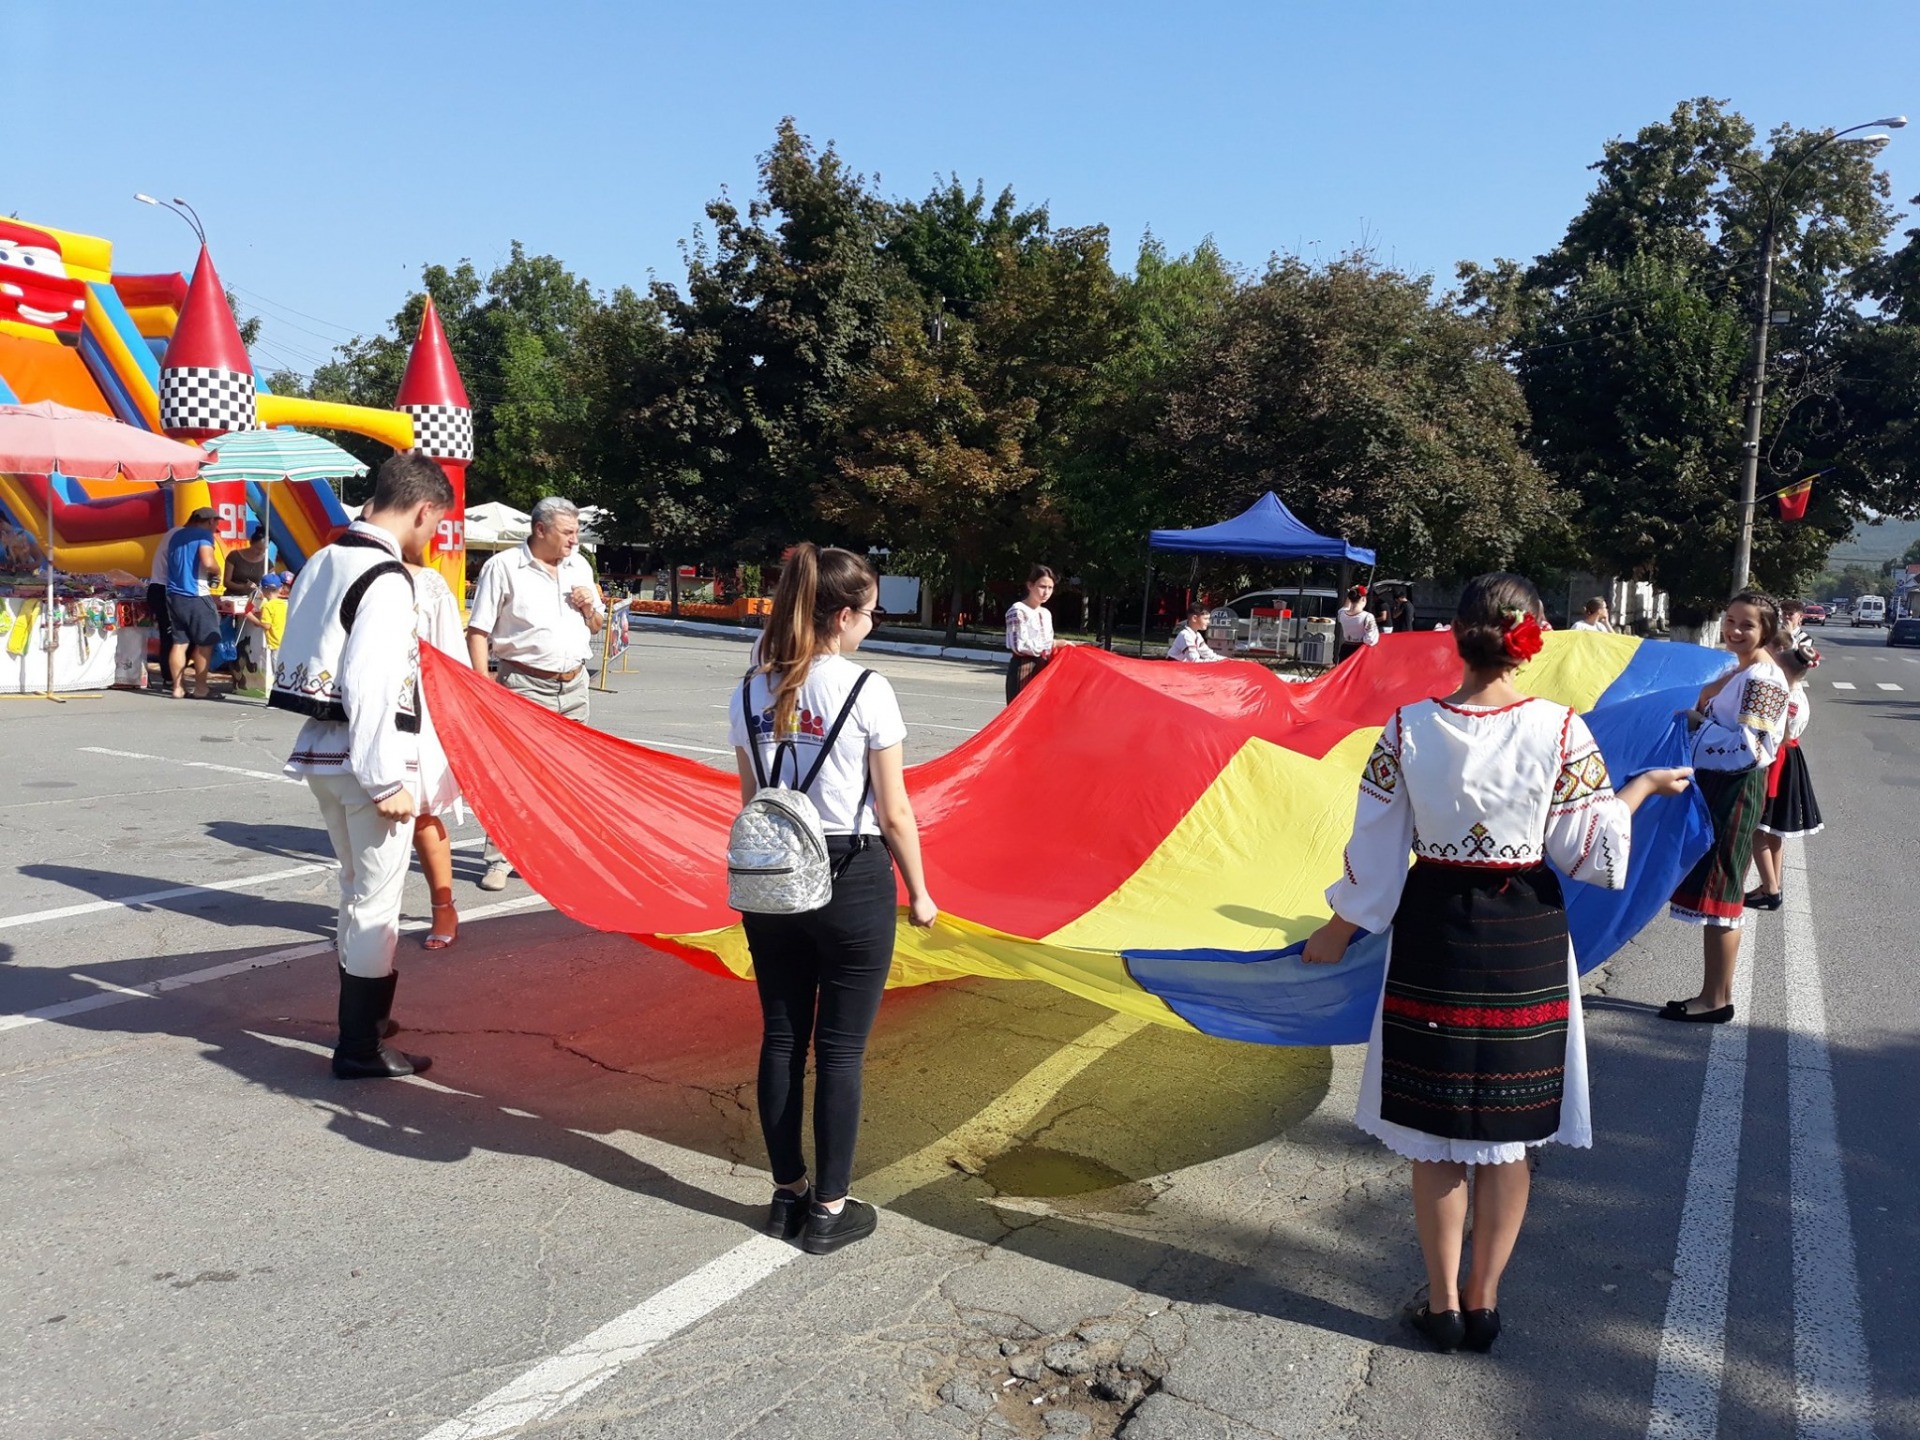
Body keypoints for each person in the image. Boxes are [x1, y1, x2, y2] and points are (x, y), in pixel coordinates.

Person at [1303, 573, 1691, 1354]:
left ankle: (1442, 1303)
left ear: (1457, 635)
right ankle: (1484, 1303)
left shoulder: (1407, 727)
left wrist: (1338, 930)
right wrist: (1643, 787)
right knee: (1507, 1135)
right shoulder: (1561, 729)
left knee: (1438, 1131)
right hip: (1525, 935)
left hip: (1436, 929)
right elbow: (1587, 851)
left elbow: (1376, 852)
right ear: (1533, 638)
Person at [728, 543, 938, 1255]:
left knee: (782, 1037)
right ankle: (830, 1209)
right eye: (872, 613)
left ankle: (787, 1195)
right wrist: (921, 892)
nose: (873, 625)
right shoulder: (867, 688)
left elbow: (753, 801)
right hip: (850, 873)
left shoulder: (749, 690)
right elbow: (894, 811)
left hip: (773, 880)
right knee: (841, 1051)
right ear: (843, 616)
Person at [273, 453, 453, 1080]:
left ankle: (365, 1021)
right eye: (435, 523)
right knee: (375, 903)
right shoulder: (387, 577)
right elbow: (372, 682)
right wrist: (386, 780)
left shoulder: (323, 558)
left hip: (321, 750)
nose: (431, 536)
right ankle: (359, 1046)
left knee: (356, 891)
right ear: (424, 510)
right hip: (365, 761)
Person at [466, 496, 606, 890]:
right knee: (515, 775)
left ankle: (557, 854)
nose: (575, 540)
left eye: (576, 532)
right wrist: (482, 686)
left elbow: (597, 625)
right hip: (524, 684)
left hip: (574, 685)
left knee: (570, 776)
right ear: (540, 530)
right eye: (567, 532)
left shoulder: (579, 566)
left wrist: (588, 608)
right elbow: (478, 631)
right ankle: (500, 859)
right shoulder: (504, 567)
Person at [1664, 590, 1790, 1022]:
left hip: (1736, 786)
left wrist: (1695, 727)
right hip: (1719, 783)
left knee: (1723, 889)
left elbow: (1751, 748)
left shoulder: (1764, 678)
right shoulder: (1742, 669)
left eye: (1747, 625)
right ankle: (1713, 994)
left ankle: (1716, 1000)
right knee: (1717, 886)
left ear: (1766, 631)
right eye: (1730, 620)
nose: (1734, 630)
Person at [408, 557, 472, 949]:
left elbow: (451, 657)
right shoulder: (345, 571)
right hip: (354, 709)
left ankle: (443, 906)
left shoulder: (428, 584)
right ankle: (363, 915)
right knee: (359, 816)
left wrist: (458, 721)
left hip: (414, 708)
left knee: (420, 811)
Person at [1747, 632, 1823, 911]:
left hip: (1777, 759)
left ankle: (1770, 889)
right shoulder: (1799, 694)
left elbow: (1776, 731)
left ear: (1784, 671)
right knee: (1773, 829)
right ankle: (1772, 883)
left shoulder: (1788, 698)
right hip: (1789, 757)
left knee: (1756, 828)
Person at [164, 507, 220, 700]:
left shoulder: (176, 536)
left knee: (179, 643)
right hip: (196, 594)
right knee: (205, 643)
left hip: (174, 594)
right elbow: (207, 562)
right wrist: (217, 569)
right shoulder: (204, 536)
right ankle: (201, 688)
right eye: (216, 522)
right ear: (210, 521)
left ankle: (177, 688)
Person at [1004, 565, 1060, 703]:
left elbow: (1047, 642)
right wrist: (1053, 644)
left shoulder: (1045, 613)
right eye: (1042, 587)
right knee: (1020, 711)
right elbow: (1019, 646)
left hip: (1043, 669)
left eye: (1050, 588)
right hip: (1023, 668)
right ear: (1030, 585)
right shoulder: (1018, 610)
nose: (1046, 592)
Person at [241, 572, 290, 690]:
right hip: (285, 643)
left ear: (264, 590)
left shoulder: (268, 606)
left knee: (277, 673)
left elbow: (266, 625)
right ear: (280, 588)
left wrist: (250, 616)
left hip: (275, 644)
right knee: (284, 672)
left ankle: (278, 695)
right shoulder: (284, 604)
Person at [1335, 585, 1380, 662]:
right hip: (1360, 650)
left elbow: (1345, 607)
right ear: (1363, 599)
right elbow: (1371, 639)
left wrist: (1351, 593)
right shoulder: (1368, 617)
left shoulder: (1342, 614)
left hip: (1345, 648)